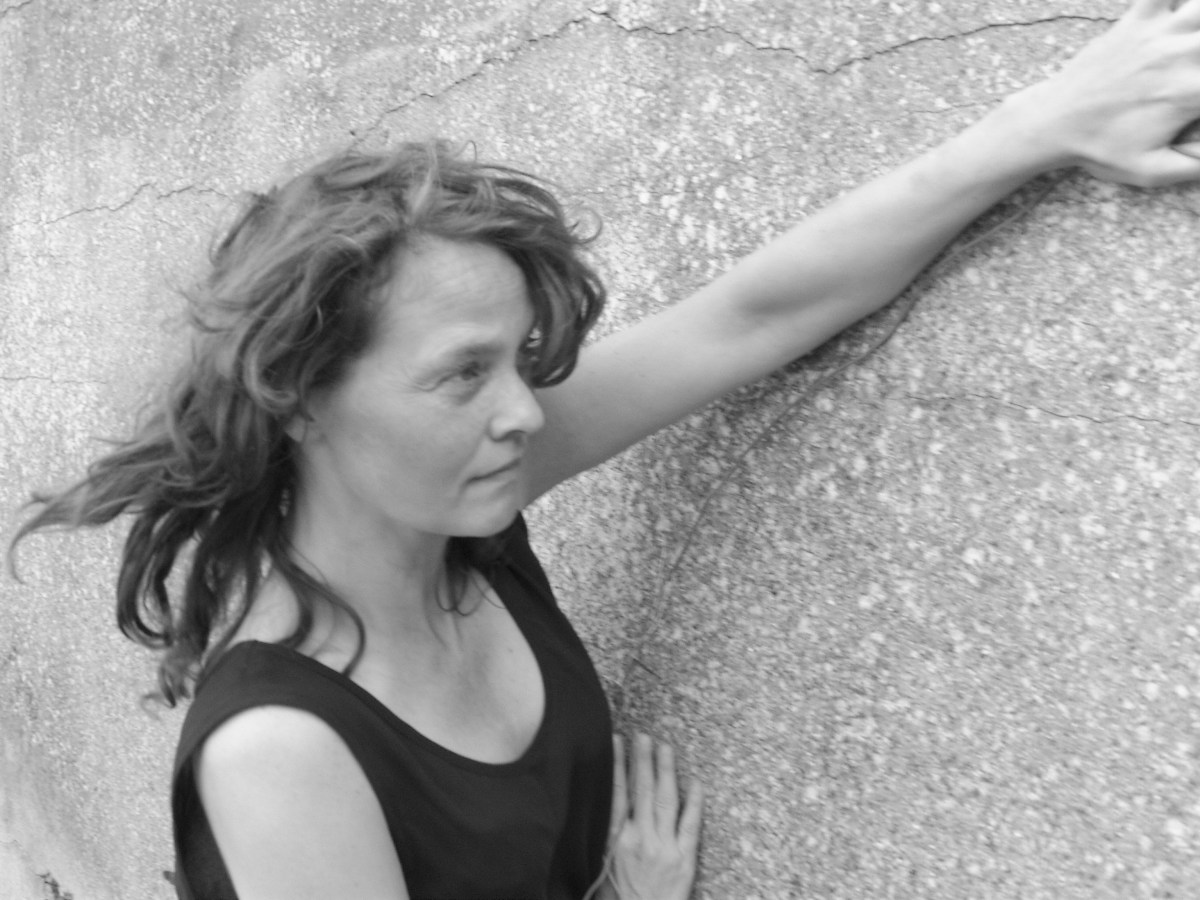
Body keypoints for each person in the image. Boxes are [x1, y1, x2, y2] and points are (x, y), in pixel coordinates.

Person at [10, 1, 1200, 897]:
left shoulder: (459, 507)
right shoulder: (283, 755)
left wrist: (1039, 127)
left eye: (521, 360)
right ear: (301, 399)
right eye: (462, 374)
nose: (525, 411)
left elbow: (753, 316)